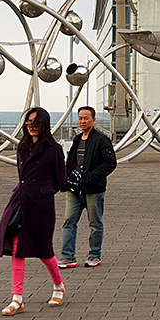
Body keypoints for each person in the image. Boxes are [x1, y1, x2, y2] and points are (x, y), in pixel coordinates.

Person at [0, 107, 67, 316]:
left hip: (42, 205)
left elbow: (60, 181)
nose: (32, 127)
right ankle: (17, 298)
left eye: (36, 123)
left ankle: (58, 286)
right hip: (21, 202)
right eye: (29, 123)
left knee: (44, 251)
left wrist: (43, 190)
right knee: (17, 250)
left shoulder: (53, 149)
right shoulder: (22, 146)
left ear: (44, 124)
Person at [59, 106, 116, 268]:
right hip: (74, 189)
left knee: (95, 223)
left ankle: (94, 254)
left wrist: (90, 177)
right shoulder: (77, 139)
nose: (82, 121)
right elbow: (71, 162)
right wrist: (66, 180)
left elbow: (110, 163)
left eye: (86, 118)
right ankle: (68, 256)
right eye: (80, 118)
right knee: (69, 221)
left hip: (93, 189)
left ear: (93, 120)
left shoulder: (101, 140)